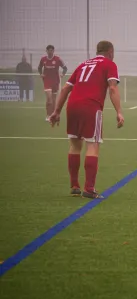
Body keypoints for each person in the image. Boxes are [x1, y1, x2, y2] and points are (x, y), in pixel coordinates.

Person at [48, 41, 124, 199]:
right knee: (93, 145)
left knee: (75, 145)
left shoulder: (83, 64)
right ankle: (89, 189)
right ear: (110, 52)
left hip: (72, 105)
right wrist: (119, 111)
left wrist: (56, 111)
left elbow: (65, 88)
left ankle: (74, 185)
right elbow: (112, 88)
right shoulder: (109, 64)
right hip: (91, 106)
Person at [38, 45, 67, 121]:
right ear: (46, 51)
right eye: (49, 50)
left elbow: (65, 68)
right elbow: (39, 67)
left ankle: (53, 116)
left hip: (55, 81)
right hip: (47, 81)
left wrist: (63, 74)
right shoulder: (43, 59)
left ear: (53, 51)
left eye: (51, 50)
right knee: (49, 99)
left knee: (53, 101)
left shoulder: (57, 59)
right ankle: (48, 115)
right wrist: (41, 74)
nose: (50, 52)